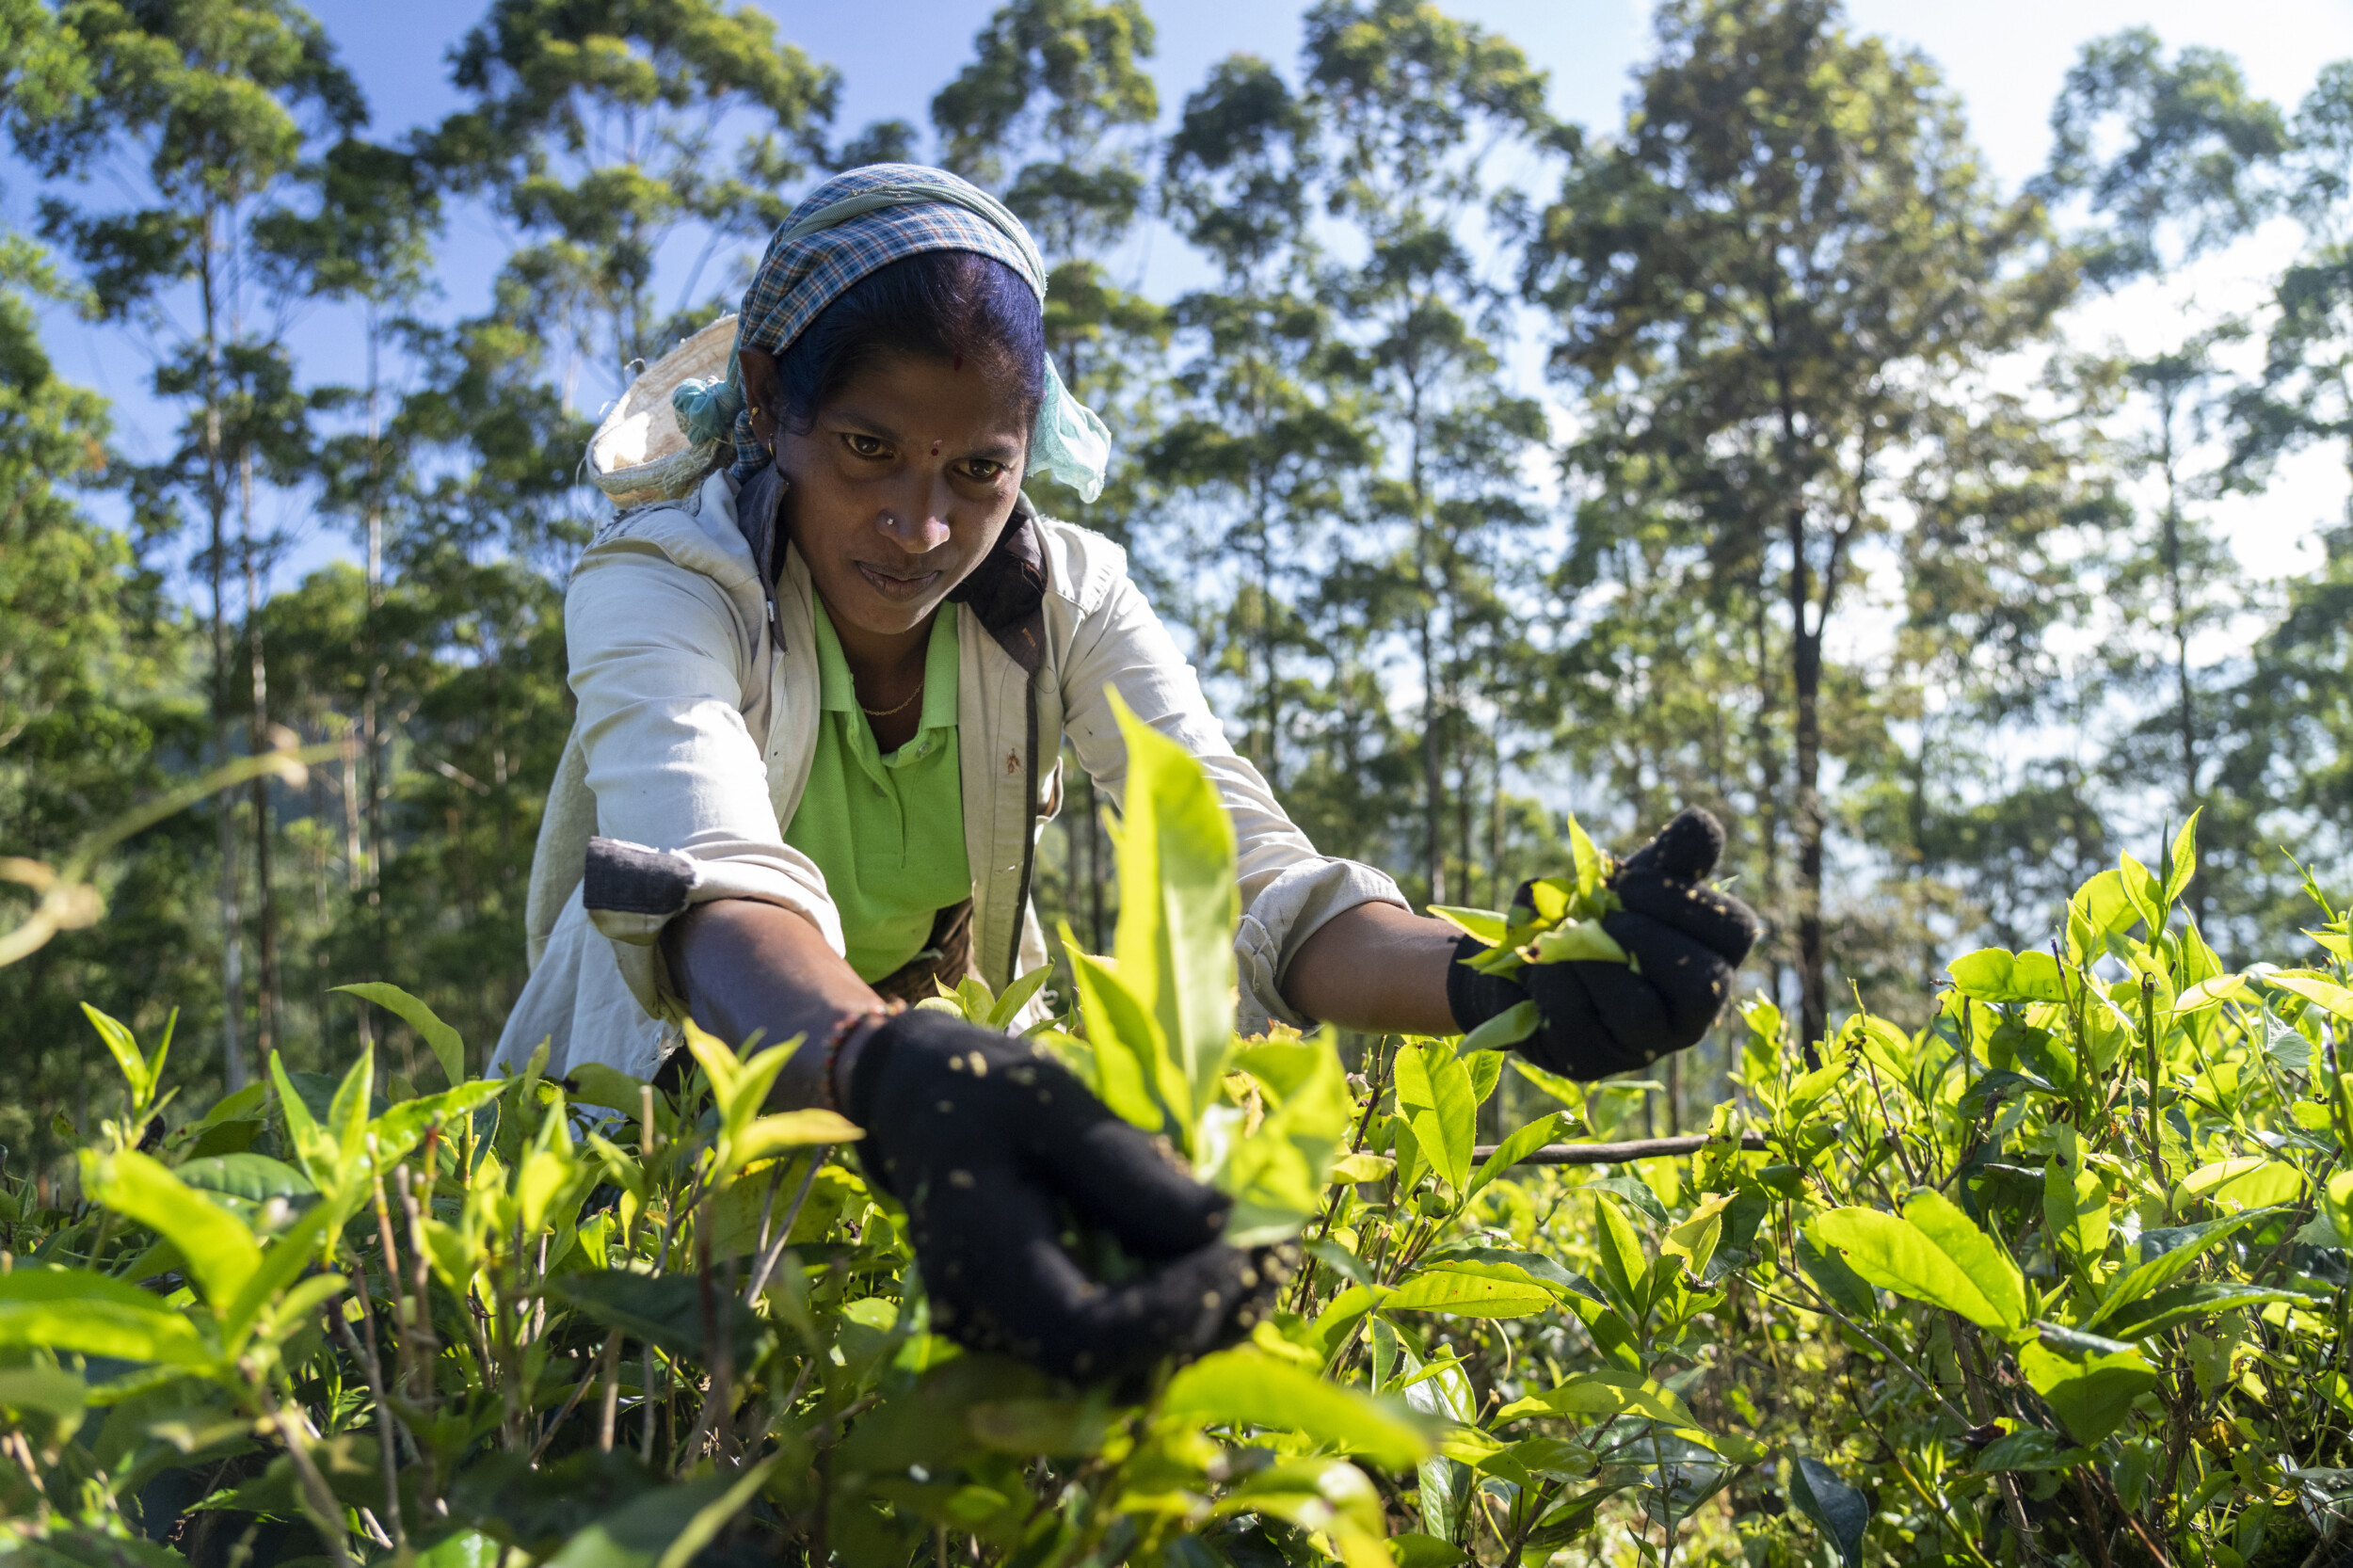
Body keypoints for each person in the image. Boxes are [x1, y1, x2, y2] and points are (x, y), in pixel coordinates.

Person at [493, 165, 1758, 1382]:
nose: (925, 524)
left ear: (1028, 445)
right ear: (769, 403)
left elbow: (1245, 866)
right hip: (647, 1146)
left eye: (980, 468)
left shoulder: (1071, 594)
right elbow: (705, 881)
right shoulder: (662, 579)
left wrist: (1496, 981)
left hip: (942, 1133)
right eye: (873, 447)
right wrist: (890, 1071)